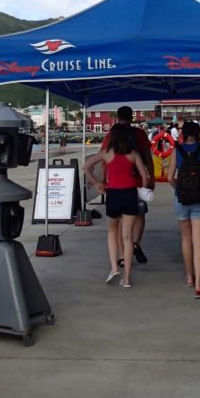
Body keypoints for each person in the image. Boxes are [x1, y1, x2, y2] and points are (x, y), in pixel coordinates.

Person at [84, 123, 150, 288]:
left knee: (112, 233)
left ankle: (114, 268)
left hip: (113, 195)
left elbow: (85, 167)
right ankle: (127, 278)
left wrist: (97, 183)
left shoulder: (106, 153)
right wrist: (142, 189)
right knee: (127, 238)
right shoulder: (133, 154)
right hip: (130, 195)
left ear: (112, 137)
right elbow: (145, 176)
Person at [100, 106, 154, 265]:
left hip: (119, 184)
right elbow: (148, 158)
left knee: (119, 222)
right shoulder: (140, 134)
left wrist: (103, 181)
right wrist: (151, 179)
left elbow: (104, 160)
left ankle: (123, 256)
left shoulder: (112, 135)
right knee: (140, 215)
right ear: (131, 117)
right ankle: (136, 243)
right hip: (138, 181)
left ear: (117, 117)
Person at [168, 121, 200, 299]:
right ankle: (199, 283)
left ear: (183, 133)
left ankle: (189, 276)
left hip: (181, 199)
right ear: (198, 133)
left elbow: (170, 177)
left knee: (186, 240)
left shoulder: (176, 150)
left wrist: (180, 190)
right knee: (198, 241)